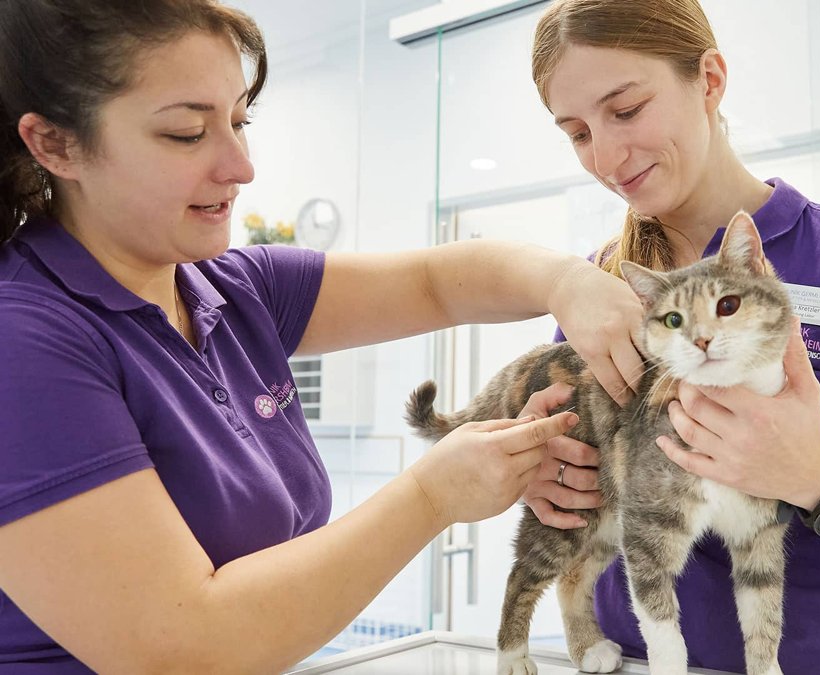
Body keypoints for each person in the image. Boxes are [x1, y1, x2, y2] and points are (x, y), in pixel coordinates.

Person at [0, 2, 648, 672]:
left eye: (239, 121)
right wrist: (433, 494)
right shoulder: (23, 340)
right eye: (187, 133)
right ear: (55, 144)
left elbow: (437, 281)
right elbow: (181, 647)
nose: (240, 165)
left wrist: (566, 282)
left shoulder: (230, 287)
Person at [520, 0, 820, 672]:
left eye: (625, 109)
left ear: (708, 79)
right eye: (578, 132)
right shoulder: (600, 290)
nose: (606, 156)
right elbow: (581, 505)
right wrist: (545, 472)